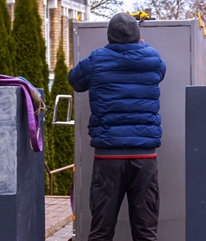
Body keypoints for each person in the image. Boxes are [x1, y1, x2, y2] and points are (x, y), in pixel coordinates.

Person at [68, 12, 166, 241]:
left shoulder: (97, 59)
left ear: (110, 36)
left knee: (101, 231)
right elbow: (159, 73)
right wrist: (139, 43)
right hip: (145, 158)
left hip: (108, 159)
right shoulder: (152, 57)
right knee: (146, 232)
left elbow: (75, 80)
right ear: (138, 35)